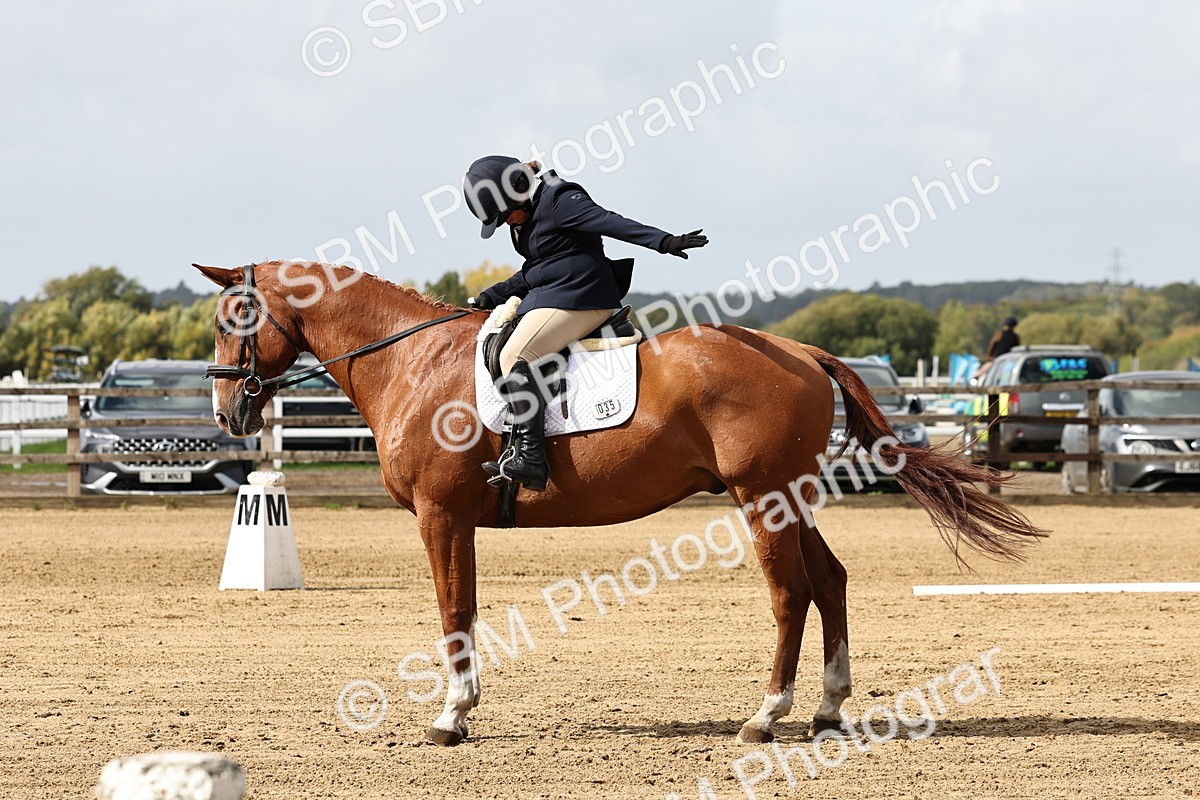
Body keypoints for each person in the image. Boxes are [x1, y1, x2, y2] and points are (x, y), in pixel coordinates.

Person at [462, 155, 708, 491]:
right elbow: (539, 267)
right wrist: (495, 293)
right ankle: (519, 443)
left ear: (519, 192)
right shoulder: (525, 213)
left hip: (583, 298)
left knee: (515, 356)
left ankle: (532, 458)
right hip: (553, 297)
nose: (507, 224)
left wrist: (663, 241)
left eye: (505, 215)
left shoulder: (559, 200)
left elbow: (610, 222)